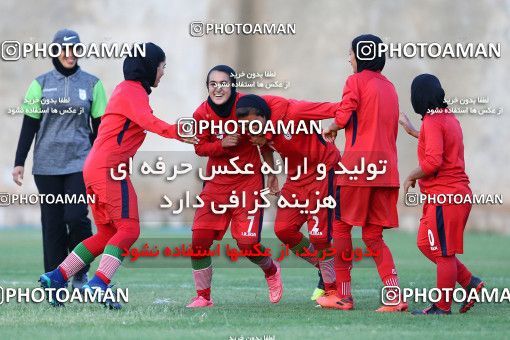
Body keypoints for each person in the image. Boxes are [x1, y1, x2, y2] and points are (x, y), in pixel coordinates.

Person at [39, 42, 198, 308]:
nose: (163, 72)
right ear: (148, 66)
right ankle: (99, 284)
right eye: (162, 66)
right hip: (110, 169)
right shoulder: (132, 91)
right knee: (130, 228)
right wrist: (183, 133)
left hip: (96, 168)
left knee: (106, 234)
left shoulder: (128, 91)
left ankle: (57, 276)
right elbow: (150, 123)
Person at [318, 34, 407, 312]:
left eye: (351, 53)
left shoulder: (355, 81)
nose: (349, 58)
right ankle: (394, 298)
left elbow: (344, 114)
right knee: (372, 236)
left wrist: (331, 127)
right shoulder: (391, 87)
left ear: (361, 56)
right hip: (386, 170)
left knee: (341, 226)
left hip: (358, 167)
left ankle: (343, 295)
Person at [13, 29, 107, 289]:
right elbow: (29, 125)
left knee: (76, 217)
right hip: (46, 166)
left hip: (80, 162)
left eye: (75, 49)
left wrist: (104, 162)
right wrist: (19, 161)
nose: (70, 54)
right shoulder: (39, 84)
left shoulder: (92, 84)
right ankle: (55, 281)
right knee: (52, 223)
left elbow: (100, 129)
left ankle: (79, 269)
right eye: (65, 49)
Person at [187, 65, 283, 308]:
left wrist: (272, 173)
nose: (218, 88)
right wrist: (221, 144)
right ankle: (203, 297)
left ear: (232, 85)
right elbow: (200, 147)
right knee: (199, 241)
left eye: (223, 83)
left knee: (248, 244)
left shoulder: (247, 106)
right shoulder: (201, 114)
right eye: (212, 84)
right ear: (207, 87)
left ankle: (271, 270)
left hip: (247, 184)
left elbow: (264, 142)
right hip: (216, 185)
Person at [235, 94, 341, 302]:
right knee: (283, 229)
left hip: (322, 171)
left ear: (264, 115)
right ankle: (325, 268)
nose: (251, 131)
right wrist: (272, 173)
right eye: (247, 128)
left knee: (319, 237)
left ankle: (333, 292)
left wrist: (336, 125)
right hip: (296, 178)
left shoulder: (295, 111)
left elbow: (337, 108)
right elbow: (264, 145)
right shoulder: (256, 126)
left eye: (254, 125)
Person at [399, 74, 484, 315]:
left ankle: (442, 307)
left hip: (446, 196)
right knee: (426, 243)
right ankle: (470, 283)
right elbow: (439, 144)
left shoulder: (433, 122)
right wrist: (414, 131)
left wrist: (411, 176)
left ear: (418, 97)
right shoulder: (447, 118)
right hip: (449, 195)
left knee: (443, 252)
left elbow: (433, 162)